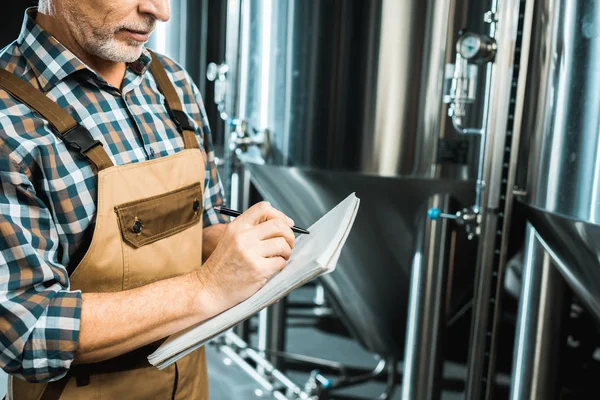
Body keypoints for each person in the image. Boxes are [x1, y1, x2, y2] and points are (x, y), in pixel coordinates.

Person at [0, 1, 296, 398]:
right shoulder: (8, 118)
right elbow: (25, 329)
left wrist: (251, 251)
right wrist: (205, 288)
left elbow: (202, 226)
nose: (160, 10)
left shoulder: (171, 81)